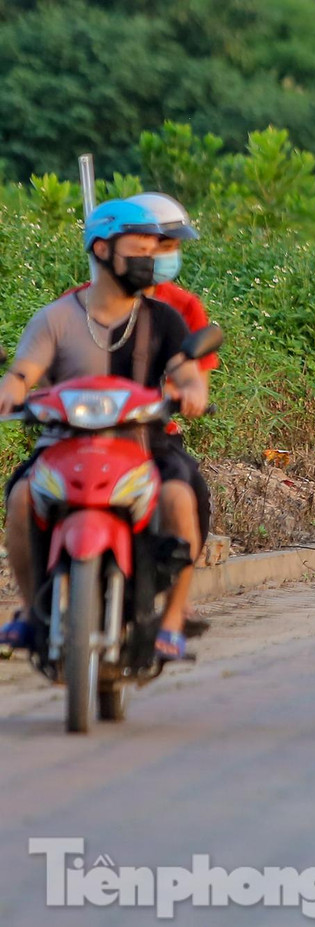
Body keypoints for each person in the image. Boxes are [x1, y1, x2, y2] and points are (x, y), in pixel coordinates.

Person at [0, 198, 208, 659]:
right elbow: (24, 370)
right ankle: (32, 613)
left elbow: (187, 369)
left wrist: (192, 389)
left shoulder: (165, 319)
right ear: (103, 249)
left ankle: (172, 621)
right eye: (141, 248)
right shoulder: (54, 318)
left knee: (180, 497)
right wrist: (11, 389)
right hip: (65, 444)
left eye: (156, 249)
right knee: (19, 497)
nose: (151, 258)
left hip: (142, 444)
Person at [63, 191, 216, 542]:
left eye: (167, 247)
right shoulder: (76, 304)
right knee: (29, 492)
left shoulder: (182, 309)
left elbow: (195, 378)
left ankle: (179, 590)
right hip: (81, 430)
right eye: (153, 245)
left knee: (192, 493)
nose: (161, 255)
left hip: (151, 431)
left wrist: (182, 393)